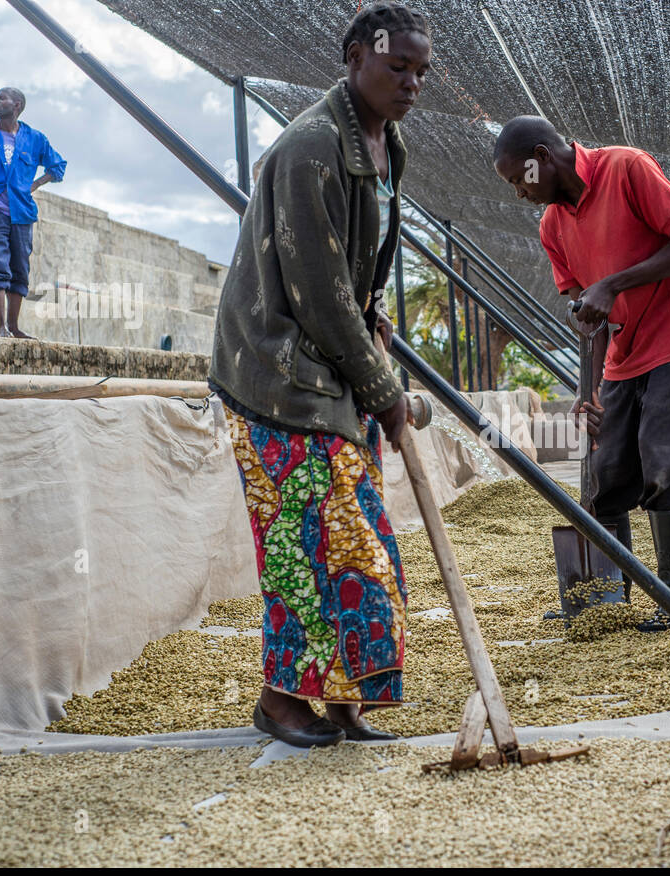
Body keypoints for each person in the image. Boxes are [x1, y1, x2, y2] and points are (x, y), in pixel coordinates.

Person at [209, 2, 431, 747]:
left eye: (420, 72)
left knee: (359, 540)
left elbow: (355, 284)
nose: (410, 83)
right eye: (397, 66)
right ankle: (281, 701)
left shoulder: (385, 145)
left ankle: (342, 702)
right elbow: (317, 290)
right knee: (309, 542)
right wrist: (383, 390)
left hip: (328, 362)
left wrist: (373, 334)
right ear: (354, 57)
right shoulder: (311, 148)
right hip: (276, 368)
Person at [493, 117, 670, 628]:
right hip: (623, 355)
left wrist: (612, 284)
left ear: (542, 156)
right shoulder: (553, 225)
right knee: (607, 477)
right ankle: (608, 597)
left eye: (519, 179)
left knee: (667, 471)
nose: (518, 192)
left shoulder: (626, 168)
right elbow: (590, 317)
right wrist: (587, 391)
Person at [0, 87, 66, 338]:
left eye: (2, 98)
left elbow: (58, 165)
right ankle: (0, 327)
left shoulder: (35, 138)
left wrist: (35, 184)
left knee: (20, 269)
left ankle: (14, 326)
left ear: (17, 105)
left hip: (22, 213)